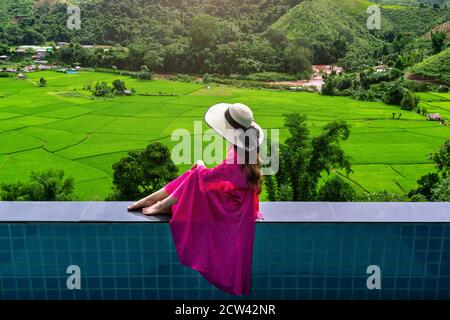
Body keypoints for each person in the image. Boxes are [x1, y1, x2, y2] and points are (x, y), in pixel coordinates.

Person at [128, 103, 264, 295]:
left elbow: (208, 177)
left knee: (194, 175)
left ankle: (156, 203)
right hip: (235, 198)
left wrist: (199, 163)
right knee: (192, 176)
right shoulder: (243, 151)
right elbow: (219, 177)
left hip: (232, 206)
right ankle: (152, 201)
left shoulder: (236, 158)